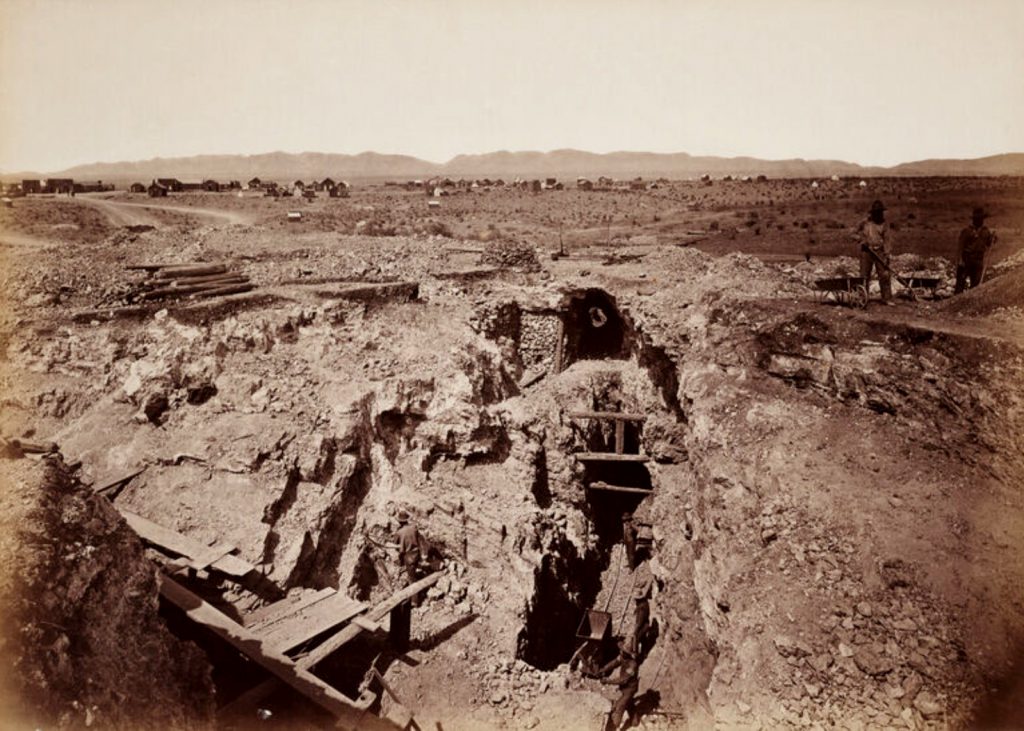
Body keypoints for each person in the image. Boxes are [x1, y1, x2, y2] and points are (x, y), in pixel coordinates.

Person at [855, 200, 895, 304]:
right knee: (864, 275)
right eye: (876, 212)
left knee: (884, 275)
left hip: (879, 252)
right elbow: (853, 233)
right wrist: (861, 240)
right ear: (872, 213)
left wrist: (887, 254)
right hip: (866, 252)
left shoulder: (884, 224)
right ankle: (862, 297)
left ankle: (887, 298)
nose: (878, 214)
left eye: (880, 212)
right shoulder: (864, 223)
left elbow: (887, 240)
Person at [600, 639, 640, 731]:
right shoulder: (622, 657)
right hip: (625, 687)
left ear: (627, 653)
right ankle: (635, 721)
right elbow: (614, 663)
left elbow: (623, 680)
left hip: (630, 688)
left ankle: (613, 727)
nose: (620, 651)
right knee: (629, 703)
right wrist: (603, 669)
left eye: (623, 650)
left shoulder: (632, 665)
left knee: (620, 706)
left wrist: (608, 681)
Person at [955, 207, 997, 293]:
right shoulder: (967, 231)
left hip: (978, 260)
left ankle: (971, 302)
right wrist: (960, 260)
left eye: (980, 219)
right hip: (967, 259)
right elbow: (960, 246)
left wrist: (993, 238)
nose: (979, 220)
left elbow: (989, 243)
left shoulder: (986, 231)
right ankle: (956, 301)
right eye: (977, 219)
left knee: (976, 284)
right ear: (974, 219)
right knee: (961, 282)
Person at [394, 509, 423, 604]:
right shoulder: (414, 528)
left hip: (409, 557)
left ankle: (415, 601)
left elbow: (396, 546)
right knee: (413, 573)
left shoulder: (399, 532)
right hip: (417, 554)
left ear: (399, 521)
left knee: (412, 579)